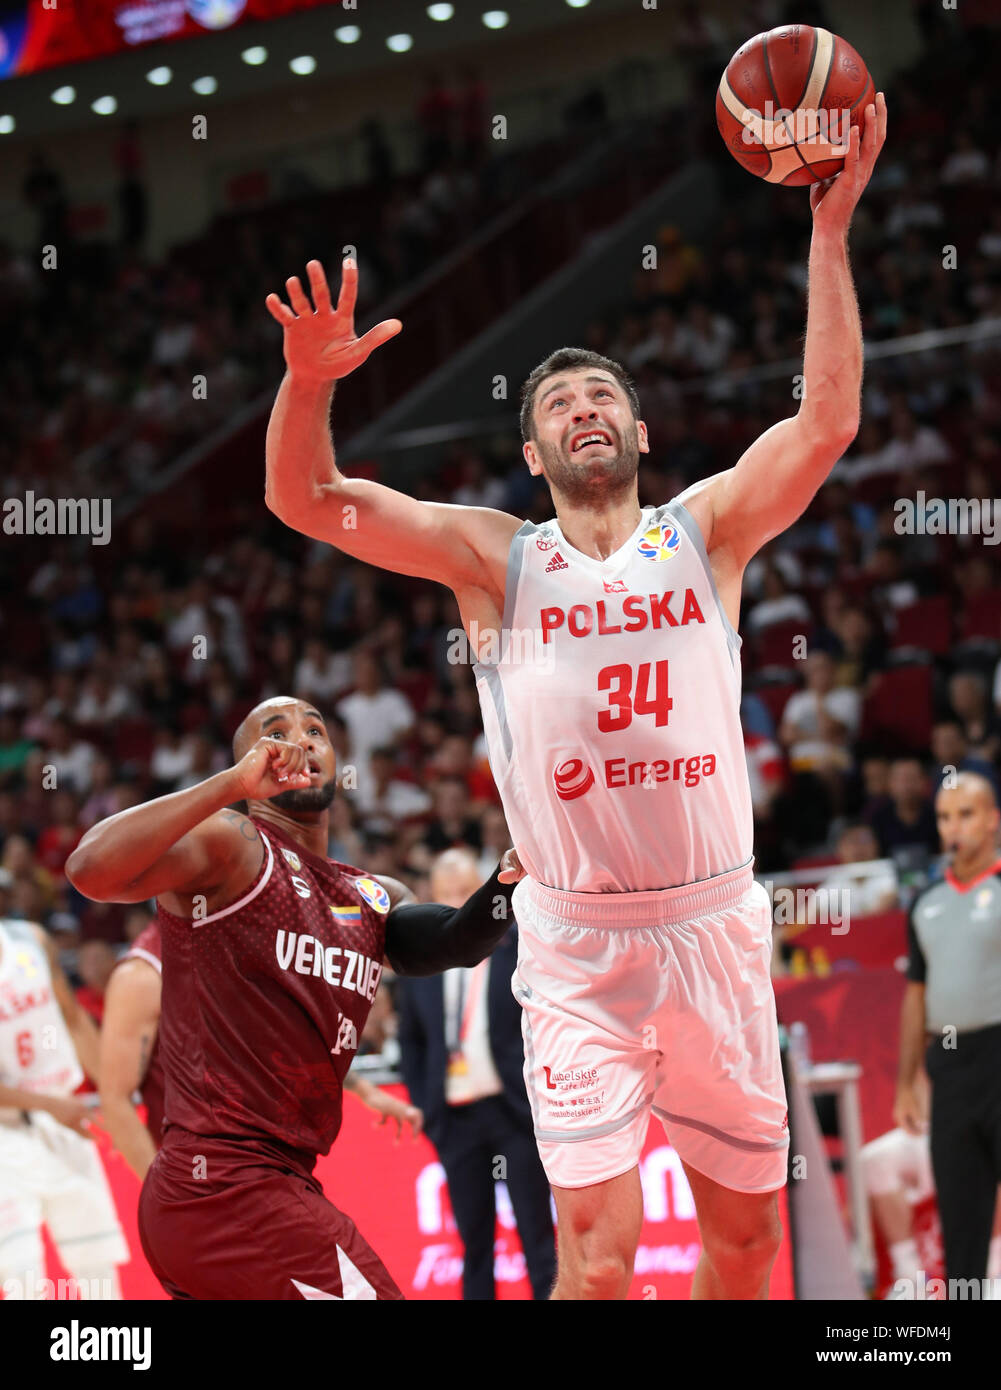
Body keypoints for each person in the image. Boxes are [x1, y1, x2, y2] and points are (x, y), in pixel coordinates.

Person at [263, 96, 887, 1301]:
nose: (581, 408)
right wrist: (305, 383)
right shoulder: (494, 557)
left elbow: (826, 422)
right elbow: (307, 499)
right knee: (593, 1264)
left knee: (749, 1247)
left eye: (599, 395)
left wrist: (824, 235)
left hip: (710, 923)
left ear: (640, 431)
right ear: (534, 457)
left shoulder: (703, 530)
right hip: (577, 944)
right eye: (556, 406)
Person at [67, 696, 523, 1300]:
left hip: (264, 1187)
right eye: (274, 733)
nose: (300, 740)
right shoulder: (234, 848)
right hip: (228, 1183)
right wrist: (229, 786)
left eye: (315, 731)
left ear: (336, 758)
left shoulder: (369, 895)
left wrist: (510, 878)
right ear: (252, 767)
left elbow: (455, 941)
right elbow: (91, 868)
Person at [99, 917, 422, 1181]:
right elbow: (115, 1101)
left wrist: (366, 1091)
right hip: (203, 1181)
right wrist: (164, 1198)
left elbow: (287, 1039)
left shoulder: (238, 940)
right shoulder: (143, 974)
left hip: (272, 1163)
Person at [397, 849, 556, 1300]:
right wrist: (427, 1109)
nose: (457, 903)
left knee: (538, 1241)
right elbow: (411, 1040)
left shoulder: (518, 946)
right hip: (455, 1121)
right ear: (432, 895)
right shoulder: (421, 962)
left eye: (466, 891)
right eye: (446, 893)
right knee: (474, 1247)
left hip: (513, 1116)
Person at [895, 773, 1001, 1290]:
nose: (952, 826)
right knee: (961, 1218)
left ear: (992, 819)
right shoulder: (927, 904)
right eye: (943, 816)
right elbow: (916, 995)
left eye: (965, 814)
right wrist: (905, 1082)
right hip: (953, 1071)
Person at [0, 917, 128, 1299]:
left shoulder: (30, 938)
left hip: (64, 1116)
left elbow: (71, 1020)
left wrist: (112, 1099)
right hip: (8, 1135)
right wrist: (50, 1105)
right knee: (24, 1278)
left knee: (97, 1271)